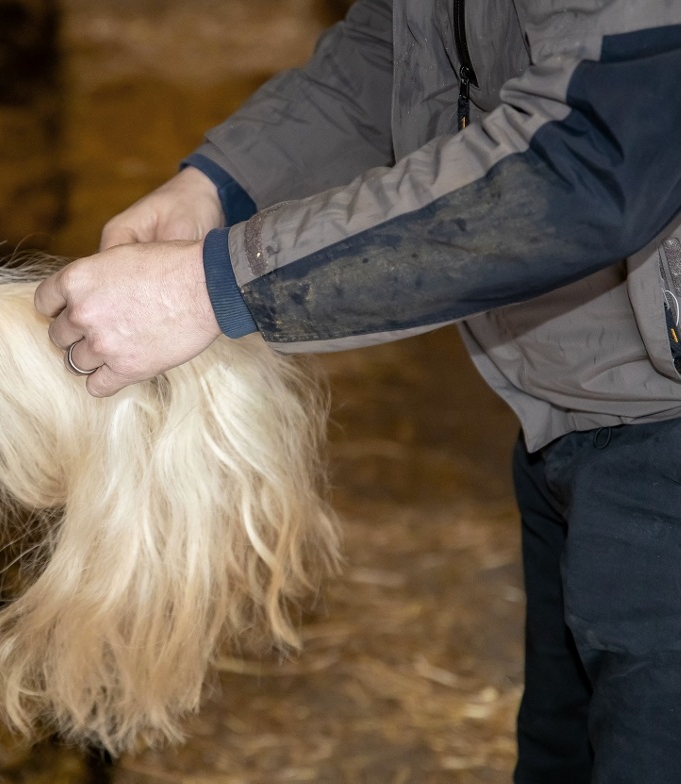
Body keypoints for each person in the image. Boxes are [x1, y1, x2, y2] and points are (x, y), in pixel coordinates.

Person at [34, 0, 681, 780]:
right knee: (562, 753)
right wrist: (223, 182)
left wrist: (214, 285)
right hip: (573, 411)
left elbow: (593, 153)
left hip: (662, 431)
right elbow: (402, 47)